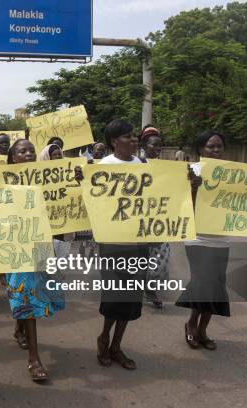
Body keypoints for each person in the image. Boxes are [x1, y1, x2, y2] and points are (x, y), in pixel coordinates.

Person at [5, 139, 69, 382]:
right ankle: (34, 358)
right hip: (16, 244)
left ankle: (18, 329)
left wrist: (75, 180)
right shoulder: (4, 182)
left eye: (31, 150)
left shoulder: (48, 179)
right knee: (29, 294)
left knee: (34, 292)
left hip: (42, 244)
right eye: (22, 151)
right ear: (13, 158)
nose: (28, 153)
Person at [175, 130, 242, 350]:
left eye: (219, 146)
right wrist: (193, 189)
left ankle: (203, 329)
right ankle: (192, 325)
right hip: (197, 238)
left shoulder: (233, 173)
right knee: (203, 283)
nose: (215, 150)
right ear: (200, 149)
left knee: (216, 287)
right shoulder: (191, 171)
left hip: (221, 238)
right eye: (210, 146)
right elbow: (180, 206)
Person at [92, 119, 149, 371]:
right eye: (128, 137)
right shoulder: (102, 167)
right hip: (113, 243)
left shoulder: (142, 165)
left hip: (138, 241)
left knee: (131, 298)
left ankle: (117, 345)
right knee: (115, 297)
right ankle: (104, 338)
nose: (134, 140)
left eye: (135, 136)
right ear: (114, 142)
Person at [140, 126, 170, 309]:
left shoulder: (168, 168)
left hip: (159, 220)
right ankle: (143, 291)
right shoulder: (135, 165)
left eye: (160, 146)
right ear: (145, 145)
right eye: (154, 145)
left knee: (159, 259)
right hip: (138, 220)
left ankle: (149, 288)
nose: (158, 149)